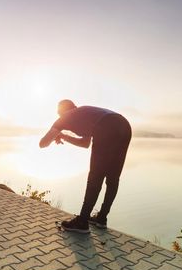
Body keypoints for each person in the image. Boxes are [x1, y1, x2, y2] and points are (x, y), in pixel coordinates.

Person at [39, 100, 132, 233]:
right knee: (113, 178)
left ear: (61, 112)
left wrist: (56, 133)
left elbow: (42, 143)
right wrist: (63, 136)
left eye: (59, 114)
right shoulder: (85, 114)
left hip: (107, 126)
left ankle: (82, 221)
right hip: (124, 125)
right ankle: (101, 218)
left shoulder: (63, 118)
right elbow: (84, 143)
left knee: (95, 176)